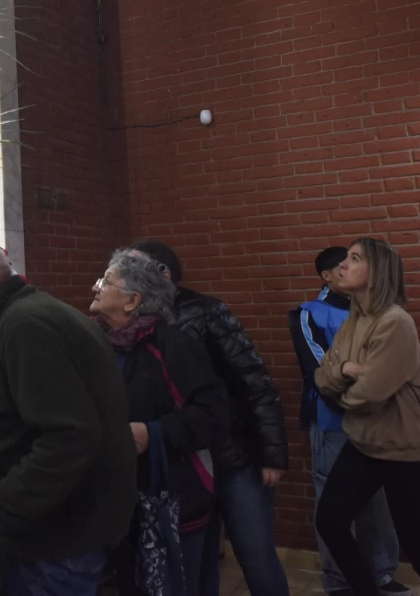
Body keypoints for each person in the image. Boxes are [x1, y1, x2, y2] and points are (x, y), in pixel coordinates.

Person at [0, 240, 137, 596]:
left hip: (62, 531)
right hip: (87, 513)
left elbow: (69, 437)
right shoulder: (38, 312)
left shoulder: (23, 327)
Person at [128, 241, 289, 596]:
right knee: (198, 565)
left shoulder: (205, 311)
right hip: (183, 465)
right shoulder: (133, 323)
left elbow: (255, 382)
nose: (125, 275)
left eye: (133, 267)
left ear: (164, 274)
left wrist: (271, 454)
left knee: (256, 557)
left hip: (231, 459)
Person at [314, 239, 420, 596]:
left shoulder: (395, 321)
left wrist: (340, 384)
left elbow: (368, 396)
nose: (343, 264)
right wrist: (347, 369)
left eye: (354, 258)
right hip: (363, 445)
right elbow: (321, 377)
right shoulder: (353, 320)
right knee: (330, 521)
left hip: (405, 452)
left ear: (377, 272)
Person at [92, 250, 228, 596]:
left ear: (132, 301)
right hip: (117, 499)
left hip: (173, 498)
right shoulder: (95, 344)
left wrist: (153, 433)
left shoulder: (173, 344)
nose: (95, 287)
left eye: (106, 281)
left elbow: (214, 415)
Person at [289, 247, 410, 596]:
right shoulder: (309, 314)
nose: (348, 269)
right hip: (333, 422)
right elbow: (320, 371)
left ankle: (380, 574)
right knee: (333, 504)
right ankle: (340, 581)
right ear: (326, 276)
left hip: (377, 420)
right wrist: (360, 395)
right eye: (341, 266)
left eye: (354, 263)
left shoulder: (377, 313)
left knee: (377, 499)